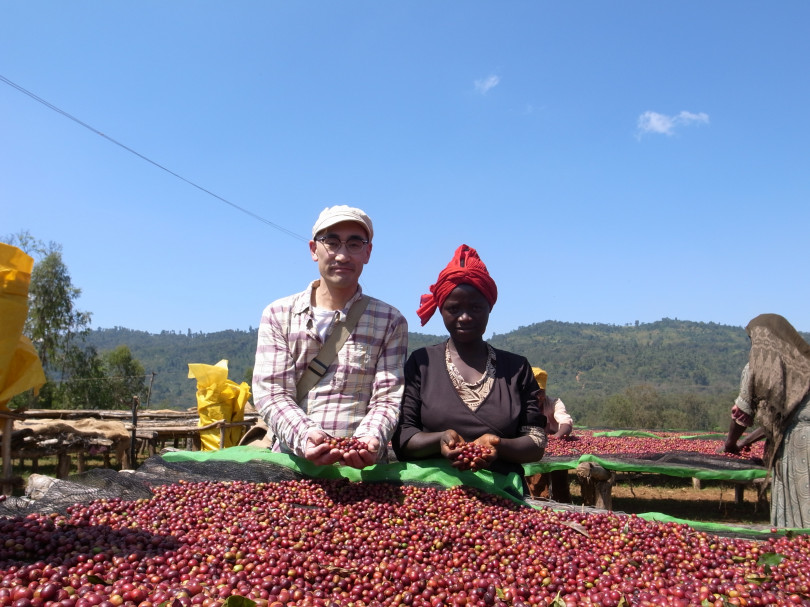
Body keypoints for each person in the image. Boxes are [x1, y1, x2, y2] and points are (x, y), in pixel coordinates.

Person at [252, 205, 408, 469]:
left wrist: (368, 440)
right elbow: (272, 393)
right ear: (314, 249)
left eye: (354, 244)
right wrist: (306, 436)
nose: (342, 255)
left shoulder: (390, 321)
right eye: (332, 242)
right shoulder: (279, 315)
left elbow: (387, 399)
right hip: (292, 462)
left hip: (362, 469)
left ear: (367, 252)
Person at [391, 244, 547, 486]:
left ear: (489, 308)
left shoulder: (516, 368)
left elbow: (536, 441)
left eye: (475, 307)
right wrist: (440, 440)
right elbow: (403, 437)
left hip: (502, 492)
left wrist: (498, 445)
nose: (465, 317)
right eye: (454, 309)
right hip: (431, 492)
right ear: (441, 309)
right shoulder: (422, 363)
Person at [723, 313, 810, 528]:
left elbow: (742, 415)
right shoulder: (804, 362)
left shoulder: (759, 368)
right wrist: (747, 443)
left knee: (800, 506)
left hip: (798, 445)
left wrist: (731, 444)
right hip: (795, 431)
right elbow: (783, 417)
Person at [525, 367, 574, 502]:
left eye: (542, 392)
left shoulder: (554, 403)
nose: (540, 397)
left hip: (554, 450)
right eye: (536, 393)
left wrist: (556, 437)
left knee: (560, 483)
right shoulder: (521, 404)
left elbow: (565, 422)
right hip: (531, 449)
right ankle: (537, 504)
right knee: (536, 484)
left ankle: (562, 505)